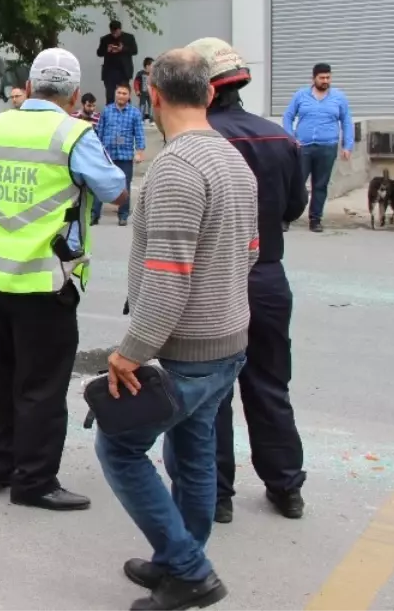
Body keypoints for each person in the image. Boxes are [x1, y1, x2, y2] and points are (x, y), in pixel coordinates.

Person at [95, 48, 258, 611]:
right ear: (210, 94)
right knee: (194, 454)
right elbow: (250, 253)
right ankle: (176, 560)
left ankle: (189, 569)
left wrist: (129, 353)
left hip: (187, 354)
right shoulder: (234, 161)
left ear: (152, 96)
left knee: (118, 448)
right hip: (229, 344)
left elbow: (167, 282)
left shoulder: (175, 169)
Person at [0, 48, 128, 512]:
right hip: (44, 281)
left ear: (27, 88)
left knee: (3, 374)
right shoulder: (73, 134)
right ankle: (34, 481)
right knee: (42, 387)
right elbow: (114, 189)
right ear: (73, 96)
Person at [191, 38, 308, 524]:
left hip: (215, 283)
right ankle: (286, 488)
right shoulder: (279, 139)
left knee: (211, 392)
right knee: (269, 385)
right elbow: (293, 210)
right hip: (267, 279)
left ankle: (217, 496)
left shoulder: (196, 142)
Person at [281, 63, 353, 233]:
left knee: (320, 185)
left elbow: (347, 121)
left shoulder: (338, 98)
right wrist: (290, 138)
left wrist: (347, 145)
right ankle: (286, 217)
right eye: (322, 78)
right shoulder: (301, 95)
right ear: (313, 78)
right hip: (303, 147)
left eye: (328, 77)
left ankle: (315, 219)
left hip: (327, 147)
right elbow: (288, 116)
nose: (325, 81)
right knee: (296, 184)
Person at [92, 84, 145, 227]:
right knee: (100, 184)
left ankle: (123, 215)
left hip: (125, 155)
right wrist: (97, 151)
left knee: (124, 186)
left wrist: (139, 151)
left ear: (129, 96)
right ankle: (94, 214)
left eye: (124, 93)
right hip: (107, 155)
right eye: (119, 93)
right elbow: (100, 132)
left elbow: (139, 134)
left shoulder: (134, 113)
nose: (121, 95)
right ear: (115, 94)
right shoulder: (107, 111)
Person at [96, 20, 139, 105]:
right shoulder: (105, 39)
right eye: (112, 32)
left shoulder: (129, 37)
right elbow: (99, 53)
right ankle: (110, 113)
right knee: (110, 95)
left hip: (124, 71)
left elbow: (135, 51)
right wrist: (107, 50)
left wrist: (122, 49)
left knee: (124, 93)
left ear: (120, 29)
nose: (114, 33)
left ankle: (126, 113)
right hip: (109, 71)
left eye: (116, 31)